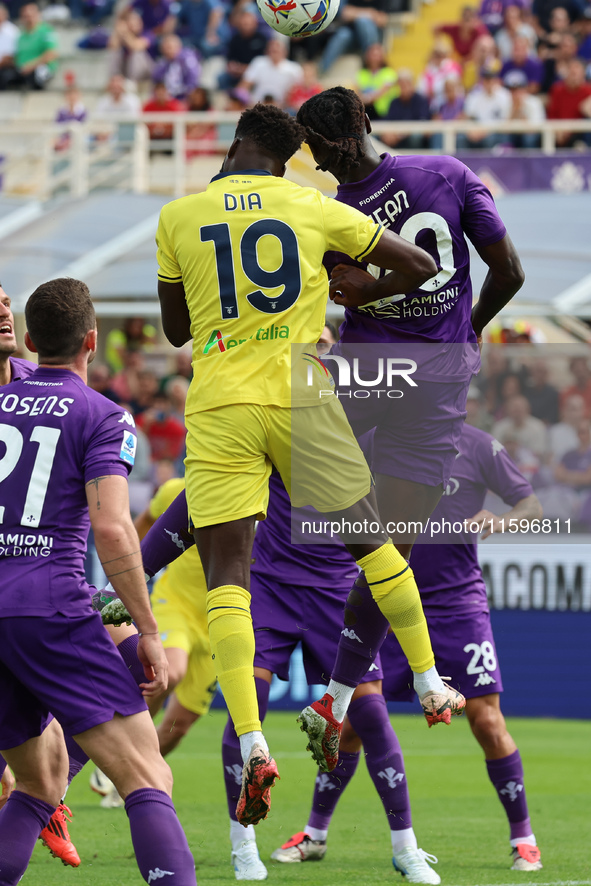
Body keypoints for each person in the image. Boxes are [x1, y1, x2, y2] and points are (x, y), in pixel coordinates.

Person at [155, 102, 458, 826]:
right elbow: (420, 265)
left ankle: (254, 741)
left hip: (220, 398)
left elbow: (173, 331)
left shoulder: (178, 216)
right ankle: (429, 678)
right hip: (299, 389)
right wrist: (358, 288)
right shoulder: (312, 204)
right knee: (373, 546)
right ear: (291, 155)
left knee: (228, 573)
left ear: (233, 147)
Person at [295, 85, 524, 767]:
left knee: (272, 452)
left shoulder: (332, 211)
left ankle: (331, 693)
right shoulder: (448, 173)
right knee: (388, 551)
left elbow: (346, 294)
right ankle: (337, 696)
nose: (312, 160)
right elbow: (507, 272)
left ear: (337, 141)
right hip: (437, 387)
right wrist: (466, 333)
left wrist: (370, 296)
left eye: (312, 147)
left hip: (368, 374)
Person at [0, 277, 197, 885]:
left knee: (38, 783)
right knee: (147, 773)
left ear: (30, 341)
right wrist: (145, 626)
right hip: (51, 604)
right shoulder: (105, 414)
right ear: (92, 339)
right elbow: (112, 532)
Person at [338, 422, 544, 873]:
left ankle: (524, 838)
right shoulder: (378, 439)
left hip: (457, 605)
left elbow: (530, 503)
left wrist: (504, 520)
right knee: (355, 723)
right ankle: (313, 834)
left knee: (486, 721)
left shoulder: (478, 445)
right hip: (389, 598)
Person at [0, 2, 57, 90]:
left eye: (31, 15)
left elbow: (51, 54)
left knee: (36, 76)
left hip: (38, 68)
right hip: (22, 69)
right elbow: (16, 56)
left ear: (38, 14)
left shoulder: (46, 31)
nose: (28, 19)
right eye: (25, 16)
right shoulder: (20, 35)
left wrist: (31, 66)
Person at [240, 39, 303, 109]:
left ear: (285, 52)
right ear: (267, 51)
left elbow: (299, 90)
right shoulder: (258, 63)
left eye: (277, 51)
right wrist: (246, 100)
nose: (274, 54)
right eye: (272, 51)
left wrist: (285, 103)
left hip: (283, 107)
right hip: (257, 105)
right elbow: (244, 85)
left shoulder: (294, 68)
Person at [381, 68, 431, 149]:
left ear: (412, 84)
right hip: (395, 136)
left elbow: (422, 122)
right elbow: (388, 121)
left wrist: (400, 135)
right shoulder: (394, 102)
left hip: (412, 136)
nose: (403, 87)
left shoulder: (421, 100)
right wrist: (387, 132)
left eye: (406, 84)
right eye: (401, 84)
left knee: (415, 137)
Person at [354, 42, 399, 120]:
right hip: (365, 111)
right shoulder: (362, 73)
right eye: (373, 55)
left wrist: (367, 98)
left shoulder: (389, 72)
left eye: (377, 55)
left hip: (385, 113)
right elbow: (358, 91)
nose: (375, 58)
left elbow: (383, 90)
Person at [151, 33, 200, 100]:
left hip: (184, 96)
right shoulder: (162, 62)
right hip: (167, 99)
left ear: (178, 47)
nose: (167, 51)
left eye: (169, 47)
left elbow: (193, 79)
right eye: (164, 48)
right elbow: (156, 79)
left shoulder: (187, 59)